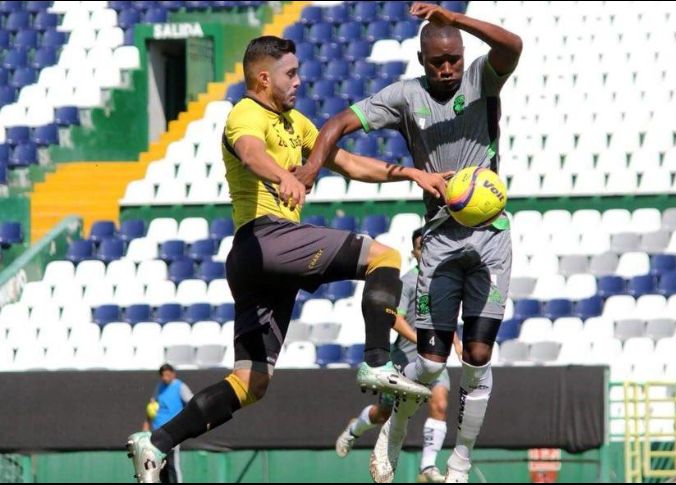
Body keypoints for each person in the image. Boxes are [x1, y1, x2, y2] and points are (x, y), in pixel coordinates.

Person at [127, 35, 453, 483]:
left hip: (257, 264)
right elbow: (251, 153)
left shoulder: (295, 123)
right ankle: (378, 362)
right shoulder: (246, 113)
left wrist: (412, 174)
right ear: (264, 78)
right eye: (291, 74)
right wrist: (285, 177)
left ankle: (157, 443)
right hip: (266, 236)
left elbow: (350, 164)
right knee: (386, 256)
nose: (299, 81)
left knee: (251, 383)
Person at [298, 3, 523, 482]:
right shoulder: (403, 97)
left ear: (462, 54)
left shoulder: (482, 79)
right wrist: (314, 166)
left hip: (490, 238)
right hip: (438, 241)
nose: (447, 69)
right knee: (428, 361)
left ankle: (459, 465)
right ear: (422, 60)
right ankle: (392, 433)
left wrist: (456, 19)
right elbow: (336, 124)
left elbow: (512, 46)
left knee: (478, 358)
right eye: (437, 61)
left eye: (454, 59)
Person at [335, 229, 462, 483]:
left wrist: (456, 342)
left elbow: (443, 320)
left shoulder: (443, 281)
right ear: (414, 252)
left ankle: (427, 468)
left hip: (434, 357)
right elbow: (394, 317)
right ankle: (354, 428)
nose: (425, 250)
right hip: (405, 358)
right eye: (420, 246)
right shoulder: (407, 282)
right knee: (383, 413)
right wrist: (421, 339)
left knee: (440, 403)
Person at [143, 364, 193, 483]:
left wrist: (185, 422)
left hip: (173, 432)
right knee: (161, 466)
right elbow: (152, 406)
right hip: (158, 432)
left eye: (167, 374)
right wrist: (146, 423)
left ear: (173, 374)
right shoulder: (159, 387)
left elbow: (192, 403)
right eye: (163, 375)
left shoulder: (180, 387)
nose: (165, 377)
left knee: (172, 465)